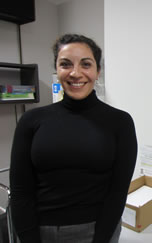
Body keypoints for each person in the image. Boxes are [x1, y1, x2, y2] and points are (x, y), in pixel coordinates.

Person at [10, 34, 138, 243]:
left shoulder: (120, 122)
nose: (75, 73)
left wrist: (101, 239)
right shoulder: (31, 120)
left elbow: (117, 191)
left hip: (98, 229)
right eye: (65, 64)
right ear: (57, 70)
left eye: (86, 64)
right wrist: (29, 237)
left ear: (98, 71)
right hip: (41, 231)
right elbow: (21, 190)